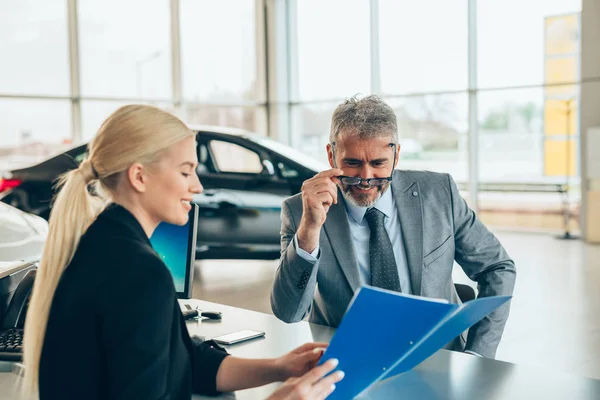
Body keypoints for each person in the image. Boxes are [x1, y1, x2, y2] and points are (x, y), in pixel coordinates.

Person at [22, 105, 344, 399]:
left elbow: (184, 361)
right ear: (139, 176)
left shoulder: (102, 244)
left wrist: (279, 367)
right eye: (186, 171)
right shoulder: (139, 272)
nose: (198, 186)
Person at [271, 95, 516, 359]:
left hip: (440, 359)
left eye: (378, 163)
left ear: (396, 155)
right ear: (331, 155)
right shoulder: (300, 211)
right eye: (352, 163)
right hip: (351, 363)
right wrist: (309, 228)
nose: (365, 178)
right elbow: (289, 312)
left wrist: (478, 355)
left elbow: (497, 268)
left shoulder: (439, 194)